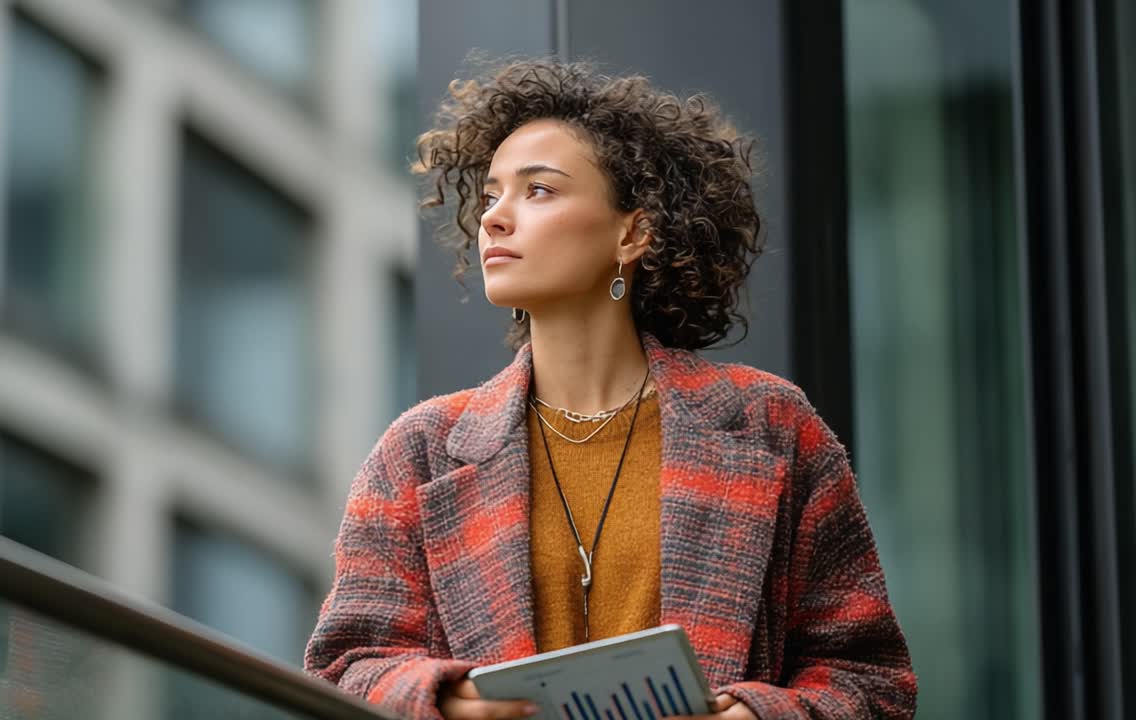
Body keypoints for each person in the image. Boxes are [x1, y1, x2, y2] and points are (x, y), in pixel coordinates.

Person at [304, 58, 916, 720]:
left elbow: (870, 678)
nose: (496, 219)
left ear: (633, 232)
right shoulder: (421, 450)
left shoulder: (769, 426)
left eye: (538, 191)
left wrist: (751, 716)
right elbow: (345, 669)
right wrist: (454, 702)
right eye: (489, 196)